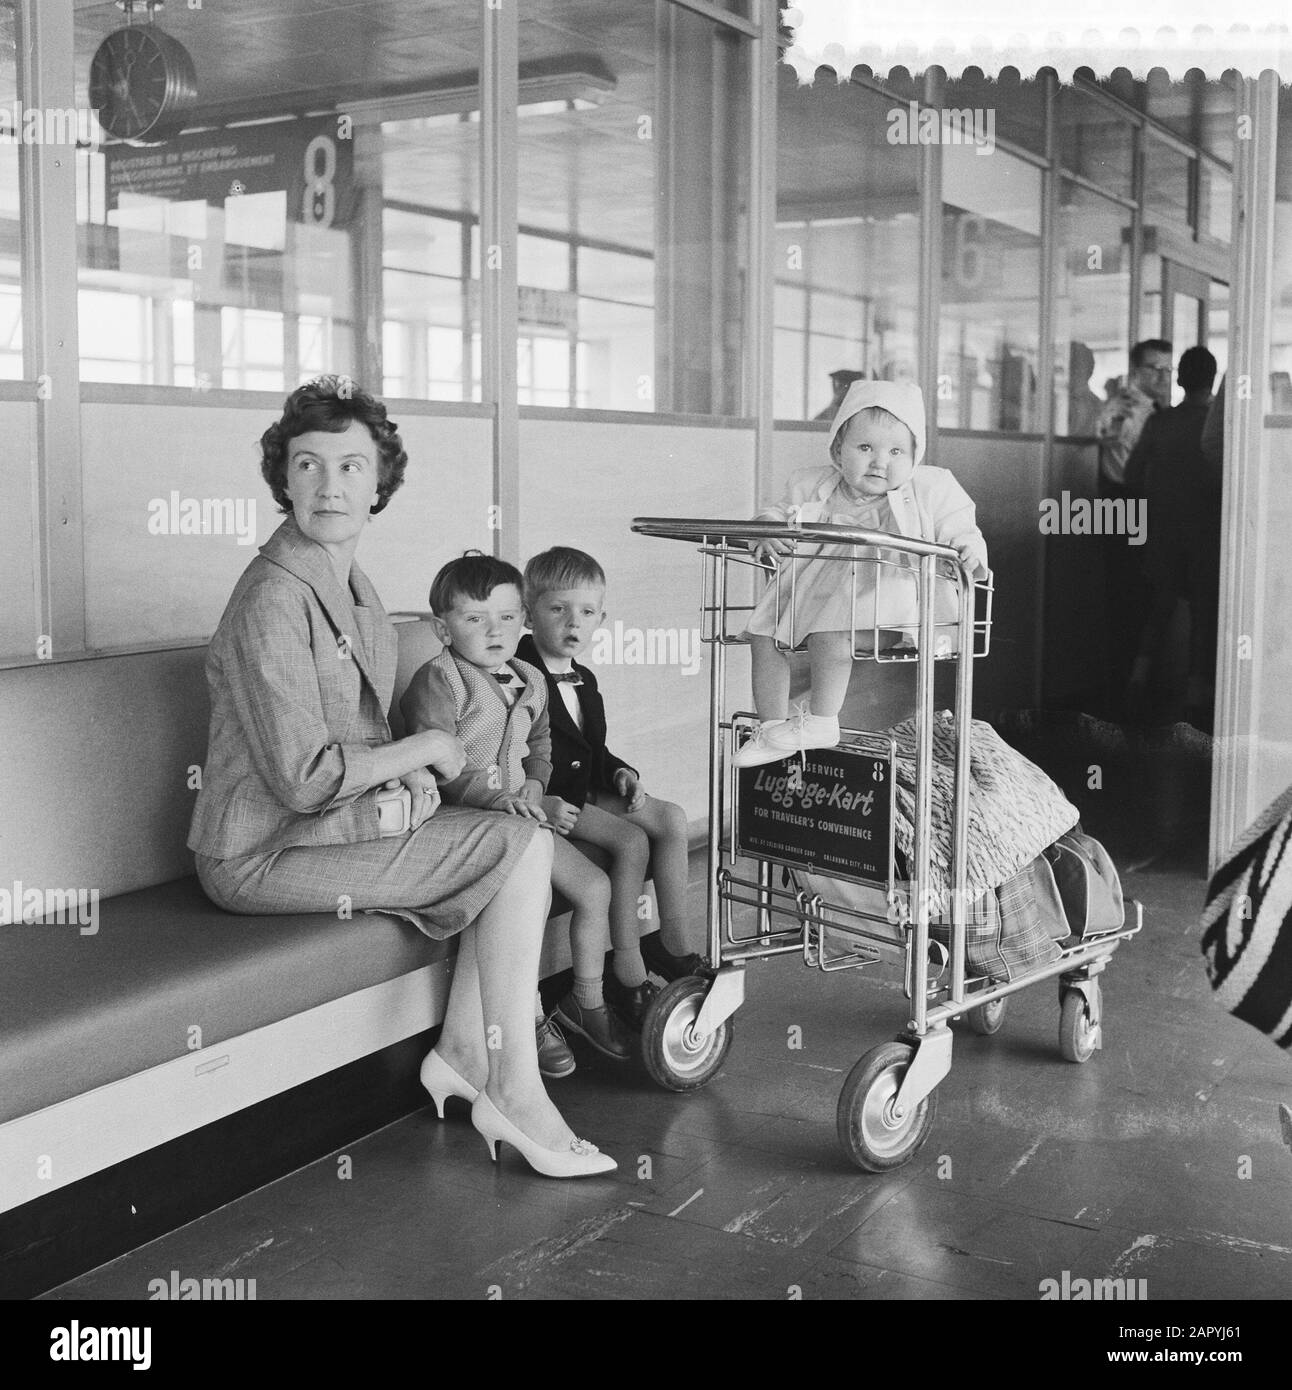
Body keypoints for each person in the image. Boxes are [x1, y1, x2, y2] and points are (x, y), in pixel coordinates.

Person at [189, 376, 614, 1179]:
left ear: (380, 481)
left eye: (352, 466)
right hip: (260, 854)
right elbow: (303, 778)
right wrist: (424, 755)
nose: (330, 486)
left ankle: (461, 1054)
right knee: (516, 847)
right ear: (282, 479)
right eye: (308, 465)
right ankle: (513, 1090)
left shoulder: (348, 582)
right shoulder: (272, 599)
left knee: (515, 838)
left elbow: (357, 730)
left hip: (325, 827)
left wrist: (406, 778)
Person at [400, 554, 635, 1068]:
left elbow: (541, 742)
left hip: (520, 814)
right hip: (464, 821)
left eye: (507, 617)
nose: (494, 631)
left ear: (524, 619)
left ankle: (586, 1001)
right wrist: (501, 800)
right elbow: (434, 763)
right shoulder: (440, 680)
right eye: (475, 619)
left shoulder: (528, 676)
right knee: (524, 900)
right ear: (443, 628)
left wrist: (533, 786)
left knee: (595, 886)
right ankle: (526, 1019)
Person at [732, 379, 988, 767]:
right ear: (838, 448)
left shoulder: (931, 488)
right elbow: (776, 512)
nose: (879, 461)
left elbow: (961, 528)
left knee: (833, 634)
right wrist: (765, 532)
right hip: (812, 597)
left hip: (889, 608)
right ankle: (771, 730)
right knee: (763, 635)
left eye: (896, 451)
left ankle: (821, 721)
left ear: (914, 456)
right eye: (865, 447)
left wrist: (968, 549)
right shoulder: (812, 484)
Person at [518, 548, 701, 1041]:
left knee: (672, 818)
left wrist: (622, 774)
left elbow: (593, 750)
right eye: (557, 609)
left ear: (602, 618)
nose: (572, 623)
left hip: (590, 787)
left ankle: (674, 942)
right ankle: (628, 968)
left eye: (586, 612)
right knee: (631, 841)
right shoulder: (518, 673)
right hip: (554, 802)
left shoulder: (586, 678)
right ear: (529, 611)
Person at [1124, 346, 1219, 728]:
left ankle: (1136, 681)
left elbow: (1131, 474)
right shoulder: (1220, 427)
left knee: (1160, 608)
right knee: (1202, 614)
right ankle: (1196, 699)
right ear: (1213, 380)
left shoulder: (1161, 423)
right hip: (1208, 535)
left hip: (1163, 533)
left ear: (1181, 378)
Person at [1096, 339, 1173, 714]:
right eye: (1154, 369)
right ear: (1136, 371)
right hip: (1123, 509)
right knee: (1126, 601)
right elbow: (1128, 467)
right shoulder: (1125, 410)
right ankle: (1122, 695)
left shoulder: (1159, 411)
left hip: (1146, 510)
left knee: (1146, 601)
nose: (1162, 376)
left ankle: (1136, 688)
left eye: (1167, 369)